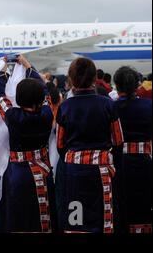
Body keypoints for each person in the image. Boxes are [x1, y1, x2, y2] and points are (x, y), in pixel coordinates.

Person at [56, 58, 124, 233]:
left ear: (71, 79)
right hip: (101, 170)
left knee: (76, 217)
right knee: (102, 217)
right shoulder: (107, 104)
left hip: (74, 171)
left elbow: (60, 144)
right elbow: (118, 141)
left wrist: (73, 159)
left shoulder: (65, 107)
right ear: (94, 78)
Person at [0, 55, 56, 233]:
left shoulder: (13, 116)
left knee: (18, 217)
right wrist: (28, 66)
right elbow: (45, 91)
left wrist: (3, 70)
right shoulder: (46, 114)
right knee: (43, 215)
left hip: (18, 174)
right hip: (43, 170)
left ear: (18, 98)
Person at [113, 66, 152, 233]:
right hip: (144, 161)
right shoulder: (148, 105)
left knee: (121, 204)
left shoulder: (111, 107)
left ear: (117, 85)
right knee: (144, 203)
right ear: (137, 85)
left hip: (118, 163)